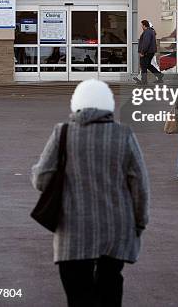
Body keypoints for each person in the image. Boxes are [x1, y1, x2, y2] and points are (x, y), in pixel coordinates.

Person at [31, 79, 149, 307]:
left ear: (76, 103)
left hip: (73, 232)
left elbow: (42, 179)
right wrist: (140, 222)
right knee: (110, 289)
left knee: (78, 295)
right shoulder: (123, 135)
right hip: (116, 230)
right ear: (109, 105)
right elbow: (140, 184)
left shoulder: (62, 133)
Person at [137, 19, 163, 85]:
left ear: (144, 25)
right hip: (150, 51)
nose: (141, 26)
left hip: (146, 52)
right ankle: (159, 75)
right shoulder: (150, 31)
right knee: (148, 65)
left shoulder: (147, 32)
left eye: (142, 25)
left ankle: (144, 81)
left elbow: (146, 43)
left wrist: (142, 52)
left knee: (143, 66)